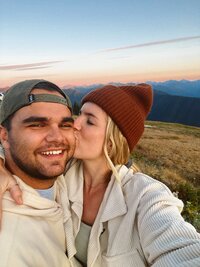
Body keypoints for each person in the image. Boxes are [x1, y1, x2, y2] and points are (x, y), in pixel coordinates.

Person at [1, 83, 200, 266]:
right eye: (79, 114)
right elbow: (21, 149)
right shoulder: (61, 173)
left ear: (112, 140)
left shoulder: (146, 196)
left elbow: (182, 249)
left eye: (89, 121)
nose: (74, 124)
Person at [0, 79, 77, 267]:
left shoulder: (72, 174)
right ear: (4, 136)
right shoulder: (9, 248)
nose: (57, 137)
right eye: (37, 125)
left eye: (65, 125)